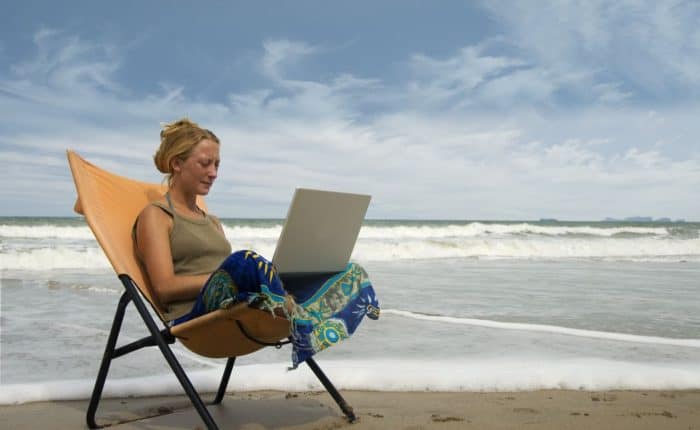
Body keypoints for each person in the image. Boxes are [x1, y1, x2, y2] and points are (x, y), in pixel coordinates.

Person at [133, 118, 379, 367]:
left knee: (346, 270)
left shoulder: (213, 221)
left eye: (217, 164)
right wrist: (230, 276)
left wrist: (260, 275)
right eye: (205, 164)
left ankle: (297, 311)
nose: (214, 173)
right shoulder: (156, 216)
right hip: (196, 320)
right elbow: (164, 288)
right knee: (246, 262)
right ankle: (301, 315)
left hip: (238, 309)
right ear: (177, 163)